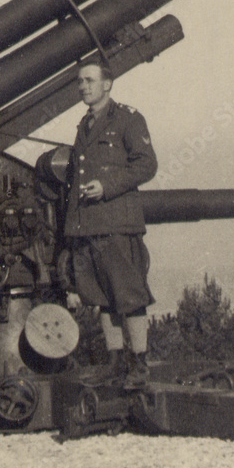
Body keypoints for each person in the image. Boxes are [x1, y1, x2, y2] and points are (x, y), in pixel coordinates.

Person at [64, 61, 157, 388]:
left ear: (108, 84)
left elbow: (146, 164)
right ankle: (116, 361)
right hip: (90, 226)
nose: (83, 87)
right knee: (101, 296)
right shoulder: (85, 125)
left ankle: (139, 363)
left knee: (128, 295)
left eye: (90, 81)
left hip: (117, 222)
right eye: (80, 82)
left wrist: (108, 186)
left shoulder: (128, 119)